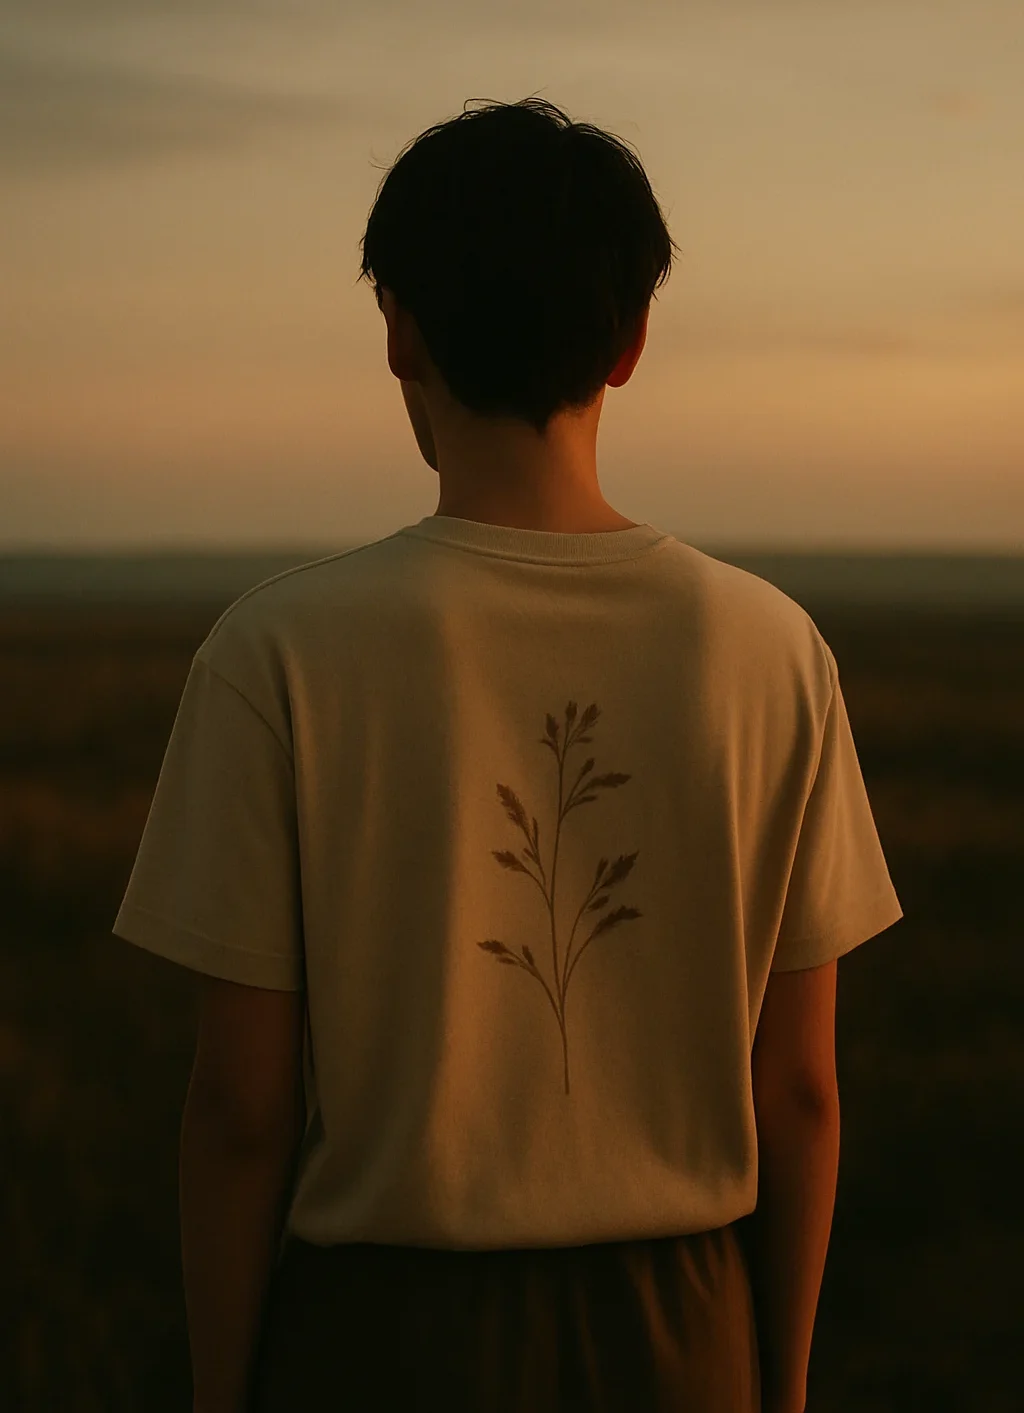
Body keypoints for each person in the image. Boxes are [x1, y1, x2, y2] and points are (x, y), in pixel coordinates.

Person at [112, 96, 903, 1413]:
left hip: (381, 1334)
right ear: (632, 342)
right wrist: (778, 1384)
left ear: (399, 330)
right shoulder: (774, 650)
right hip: (683, 1325)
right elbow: (803, 1091)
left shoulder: (276, 652)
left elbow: (242, 1109)